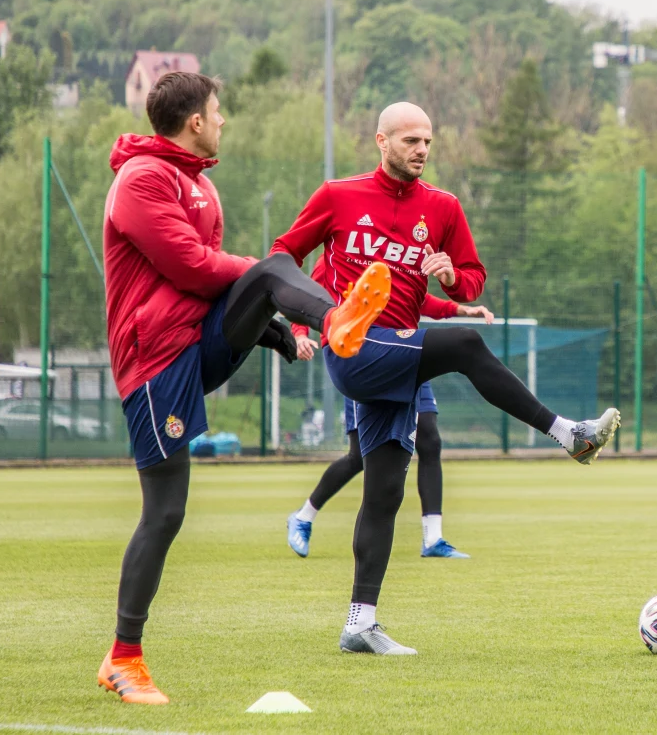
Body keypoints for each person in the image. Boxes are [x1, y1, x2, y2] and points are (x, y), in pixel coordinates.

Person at [271, 101, 619, 655]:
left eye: (428, 141)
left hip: (400, 358)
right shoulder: (338, 195)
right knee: (465, 345)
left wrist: (455, 278)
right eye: (410, 140)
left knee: (383, 493)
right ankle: (566, 435)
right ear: (380, 141)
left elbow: (473, 281)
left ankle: (360, 623)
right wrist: (308, 319)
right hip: (355, 351)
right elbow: (282, 258)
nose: (422, 150)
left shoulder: (444, 208)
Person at [97, 72, 340, 704]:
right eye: (217, 110)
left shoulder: (198, 183)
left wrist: (276, 329)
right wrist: (265, 289)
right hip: (154, 364)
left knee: (270, 273)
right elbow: (193, 269)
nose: (224, 119)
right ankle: (123, 659)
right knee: (166, 512)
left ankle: (337, 317)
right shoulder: (142, 180)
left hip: (193, 347)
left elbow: (213, 292)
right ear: (194, 121)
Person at [286, 295, 495, 560]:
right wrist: (300, 333)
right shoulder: (338, 257)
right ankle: (303, 517)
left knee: (429, 441)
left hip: (407, 353)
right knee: (359, 456)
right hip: (364, 360)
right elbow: (308, 296)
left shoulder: (396, 258)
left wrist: (462, 310)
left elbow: (419, 299)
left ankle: (433, 538)